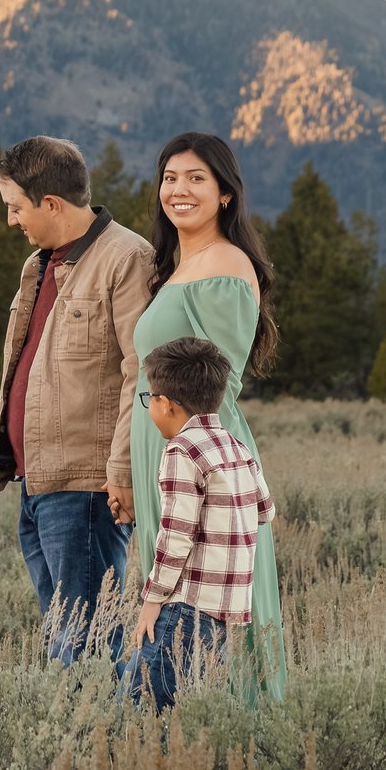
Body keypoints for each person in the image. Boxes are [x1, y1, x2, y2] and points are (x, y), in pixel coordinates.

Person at [0, 136, 155, 663]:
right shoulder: (40, 267)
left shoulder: (126, 259)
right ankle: (86, 737)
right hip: (38, 484)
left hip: (87, 488)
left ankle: (109, 739)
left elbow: (139, 377)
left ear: (50, 204)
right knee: (65, 638)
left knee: (90, 644)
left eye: (15, 207)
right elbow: (17, 376)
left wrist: (121, 471)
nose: (11, 220)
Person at [129, 133, 287, 703]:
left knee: (202, 593)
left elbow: (215, 382)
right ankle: (178, 735)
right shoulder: (179, 266)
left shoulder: (223, 264)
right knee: (178, 594)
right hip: (165, 448)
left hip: (198, 453)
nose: (179, 189)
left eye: (196, 178)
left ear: (225, 194)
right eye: (170, 178)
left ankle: (235, 735)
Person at [120, 336, 272, 708]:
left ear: (166, 404)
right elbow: (265, 510)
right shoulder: (236, 446)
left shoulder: (180, 451)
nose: (149, 407)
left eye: (149, 399)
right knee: (188, 710)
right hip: (223, 614)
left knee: (137, 704)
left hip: (183, 607)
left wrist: (152, 602)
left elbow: (176, 538)